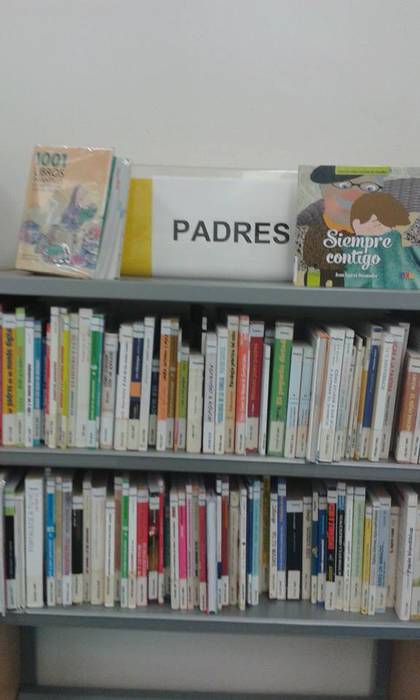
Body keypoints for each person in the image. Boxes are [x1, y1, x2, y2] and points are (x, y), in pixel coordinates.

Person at [296, 165, 420, 287]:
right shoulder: (307, 231)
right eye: (344, 186)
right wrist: (356, 236)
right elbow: (305, 278)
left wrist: (397, 227)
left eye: (369, 187)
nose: (355, 194)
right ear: (323, 190)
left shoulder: (395, 220)